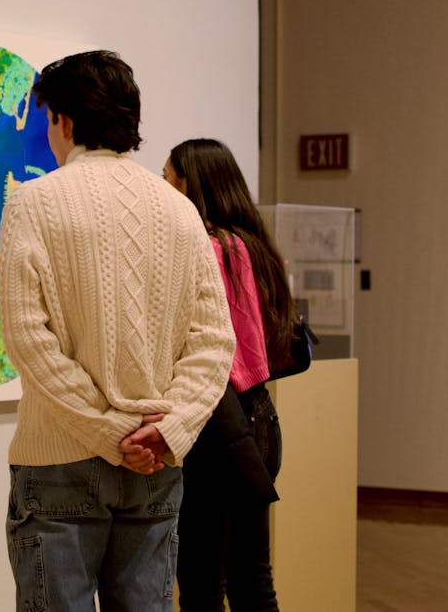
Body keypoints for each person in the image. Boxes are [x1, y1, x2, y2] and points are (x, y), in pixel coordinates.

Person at [0, 51, 236, 612]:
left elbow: (29, 341)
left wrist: (107, 431)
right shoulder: (180, 212)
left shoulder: (31, 203)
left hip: (59, 461)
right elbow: (213, 343)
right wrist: (166, 428)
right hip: (154, 464)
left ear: (65, 120)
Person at [162, 138, 296, 612]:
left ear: (192, 184)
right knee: (251, 576)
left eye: (168, 180)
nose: (163, 191)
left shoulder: (211, 247)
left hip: (220, 423)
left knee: (201, 583)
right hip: (258, 419)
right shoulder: (253, 245)